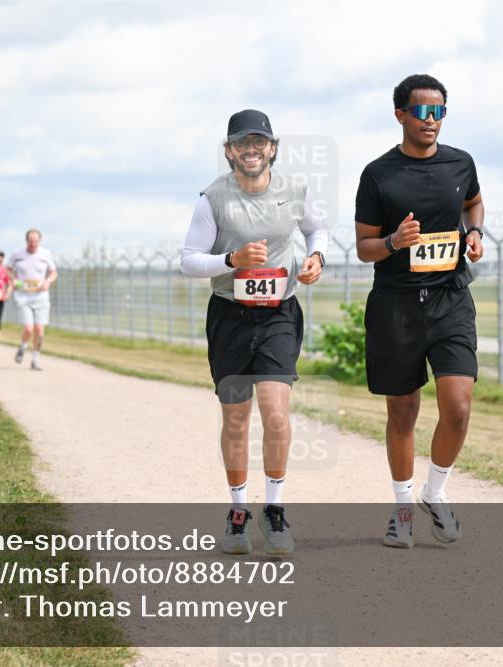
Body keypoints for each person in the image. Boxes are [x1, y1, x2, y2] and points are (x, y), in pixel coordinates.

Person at [180, 109, 328, 556]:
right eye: (242, 143)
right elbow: (188, 260)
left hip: (279, 312)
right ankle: (239, 511)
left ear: (273, 149)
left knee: (276, 413)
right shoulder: (212, 199)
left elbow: (317, 227)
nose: (251, 150)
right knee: (237, 419)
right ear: (229, 151)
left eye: (259, 142)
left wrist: (317, 258)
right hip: (229, 314)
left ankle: (275, 509)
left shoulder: (295, 190)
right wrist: (232, 261)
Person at [354, 74, 484, 548]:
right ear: (401, 115)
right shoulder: (378, 174)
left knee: (459, 407)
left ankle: (436, 492)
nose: (431, 121)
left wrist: (475, 234)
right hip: (396, 305)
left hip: (450, 297)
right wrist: (394, 242)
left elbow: (473, 203)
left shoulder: (460, 162)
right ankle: (403, 507)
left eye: (439, 112)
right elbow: (364, 247)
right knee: (403, 413)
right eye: (422, 112)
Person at [7, 229, 57, 370]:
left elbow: (54, 272)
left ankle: (35, 359)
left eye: (36, 242)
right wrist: (14, 280)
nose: (33, 244)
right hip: (23, 296)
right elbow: (8, 269)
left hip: (40, 296)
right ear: (26, 241)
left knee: (39, 330)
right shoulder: (17, 254)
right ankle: (23, 346)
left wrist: (48, 281)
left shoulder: (45, 254)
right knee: (29, 328)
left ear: (39, 241)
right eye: (31, 241)